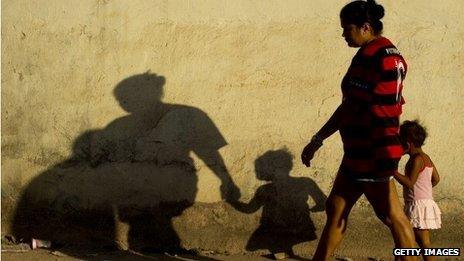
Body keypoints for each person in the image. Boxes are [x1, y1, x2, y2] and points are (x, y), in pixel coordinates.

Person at [301, 0, 417, 260]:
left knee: (393, 217)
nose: (343, 34)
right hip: (365, 148)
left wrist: (318, 139)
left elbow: (351, 107)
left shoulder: (371, 57)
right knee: (336, 206)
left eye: (347, 29)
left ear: (365, 27)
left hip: (372, 149)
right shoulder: (389, 53)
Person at [394, 120, 441, 261]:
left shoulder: (416, 160)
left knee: (421, 243)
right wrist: (425, 190)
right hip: (422, 203)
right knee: (403, 242)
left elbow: (409, 183)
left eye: (400, 142)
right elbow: (436, 179)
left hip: (417, 206)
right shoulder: (426, 158)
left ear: (408, 144)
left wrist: (392, 171)